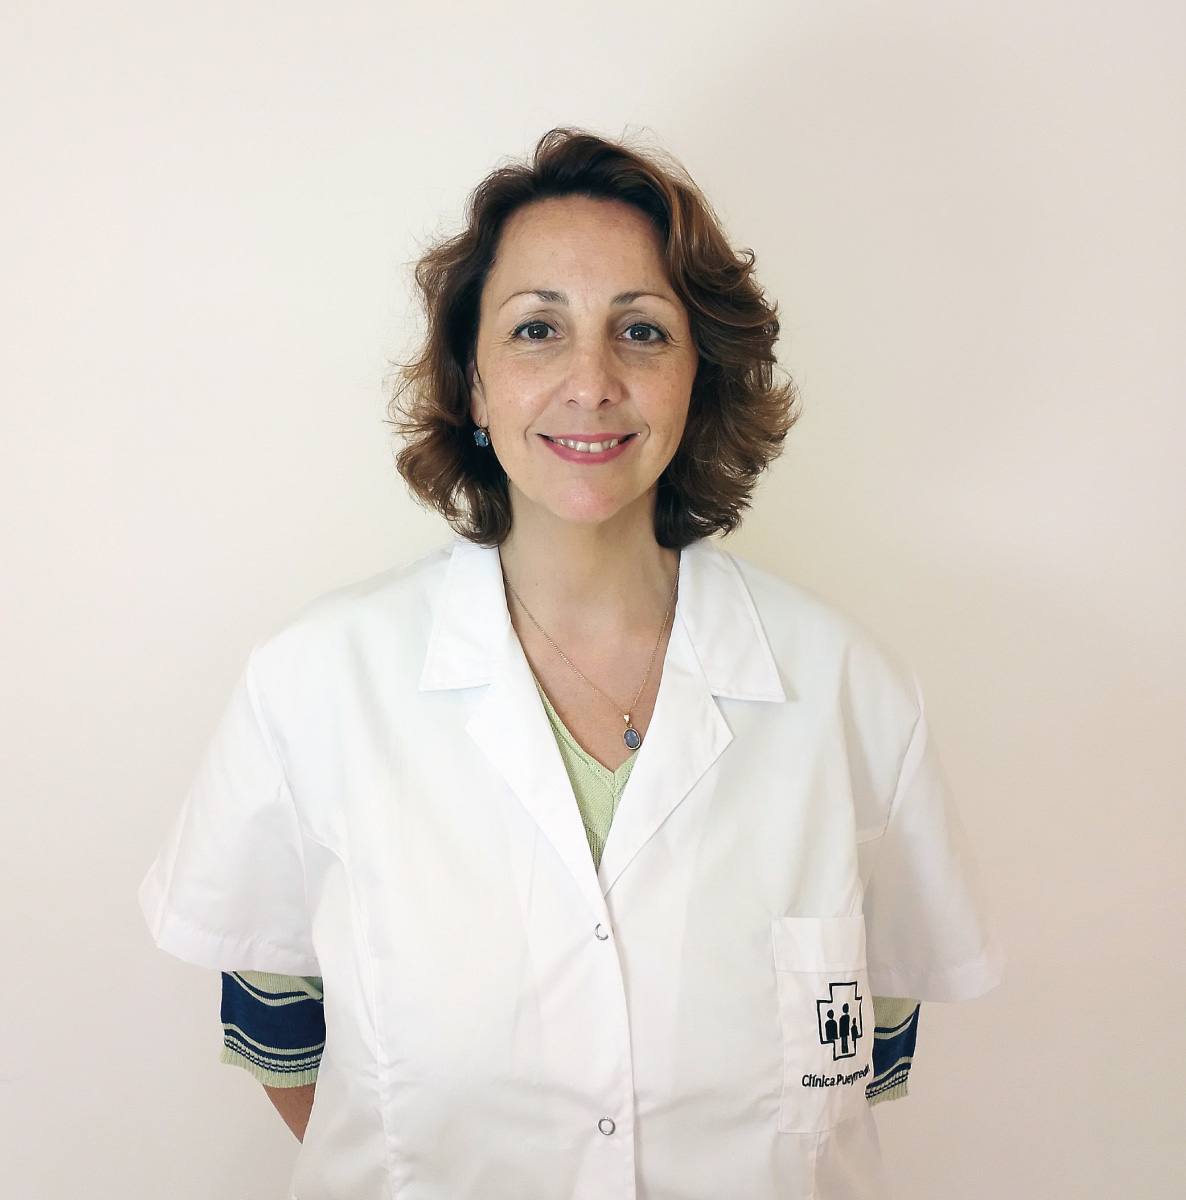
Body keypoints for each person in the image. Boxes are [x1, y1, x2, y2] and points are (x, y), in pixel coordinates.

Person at [139, 128, 1002, 1200]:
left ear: (698, 376)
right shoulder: (314, 682)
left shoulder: (849, 691)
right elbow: (277, 1024)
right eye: (537, 330)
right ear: (474, 384)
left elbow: (875, 1050)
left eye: (641, 331)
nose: (590, 382)